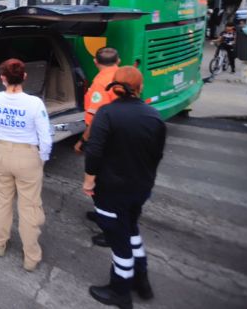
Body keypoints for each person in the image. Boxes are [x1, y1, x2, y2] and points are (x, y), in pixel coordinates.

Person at [82, 66, 166, 308]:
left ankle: (120, 291)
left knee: (118, 240)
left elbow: (94, 152)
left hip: (112, 189)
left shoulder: (106, 114)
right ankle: (142, 281)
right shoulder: (154, 115)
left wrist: (89, 181)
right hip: (141, 187)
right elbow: (156, 155)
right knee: (131, 230)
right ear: (140, 87)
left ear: (115, 85)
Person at [0, 58, 52, 272]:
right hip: (28, 156)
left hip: (2, 154)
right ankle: (30, 257)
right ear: (24, 77)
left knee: (2, 201)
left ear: (2, 78)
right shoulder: (34, 103)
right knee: (29, 207)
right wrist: (42, 158)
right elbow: (45, 137)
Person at [75, 47, 120, 154]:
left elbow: (96, 117)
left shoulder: (101, 84)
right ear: (118, 61)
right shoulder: (121, 75)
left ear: (95, 61)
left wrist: (83, 140)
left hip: (105, 133)